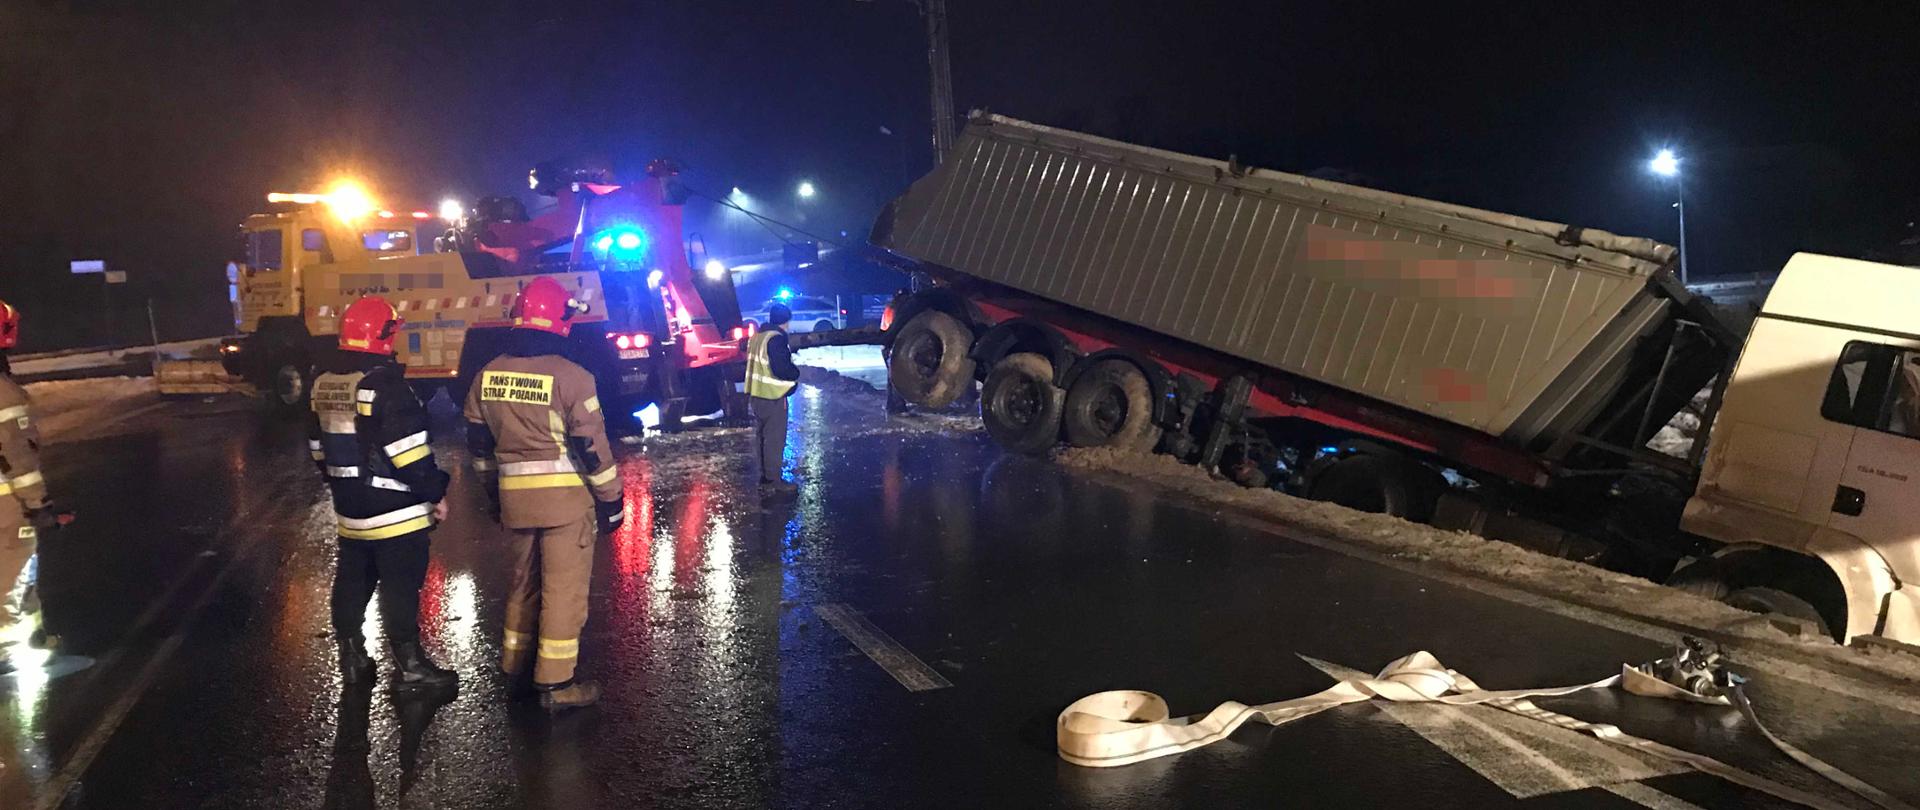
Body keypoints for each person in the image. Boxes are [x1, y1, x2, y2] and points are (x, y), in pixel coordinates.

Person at [464, 276, 623, 712]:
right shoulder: (572, 377)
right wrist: (611, 500)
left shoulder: (486, 375)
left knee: (523, 586)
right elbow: (592, 449)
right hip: (565, 506)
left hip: (514, 502)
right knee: (563, 592)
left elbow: (479, 449)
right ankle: (556, 685)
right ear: (560, 321)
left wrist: (494, 496)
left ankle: (514, 668)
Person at [309, 295, 457, 689]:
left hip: (350, 509)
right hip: (396, 512)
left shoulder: (322, 383)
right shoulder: (386, 386)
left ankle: (352, 658)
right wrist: (436, 491)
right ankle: (411, 667)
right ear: (384, 335)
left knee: (352, 581)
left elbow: (317, 447)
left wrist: (343, 484)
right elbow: (409, 455)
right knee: (400, 587)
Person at [0, 300, 60, 676]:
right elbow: (17, 457)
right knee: (14, 569)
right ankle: (6, 648)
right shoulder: (3, 393)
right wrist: (38, 504)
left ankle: (32, 636)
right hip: (6, 507)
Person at [745, 303, 800, 492]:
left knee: (761, 437)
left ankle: (764, 476)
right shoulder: (776, 339)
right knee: (774, 438)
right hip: (773, 396)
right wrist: (795, 373)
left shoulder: (757, 337)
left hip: (757, 395)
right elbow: (781, 369)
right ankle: (774, 480)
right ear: (785, 321)